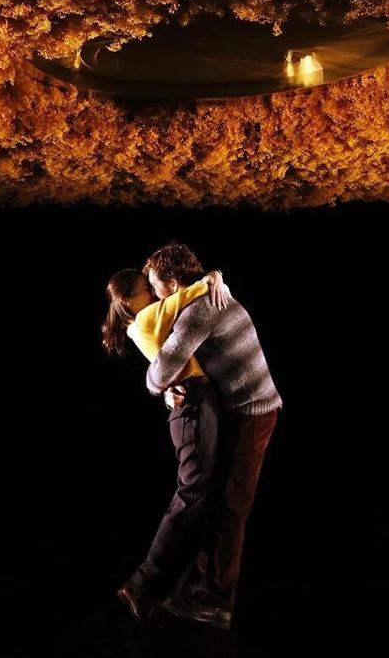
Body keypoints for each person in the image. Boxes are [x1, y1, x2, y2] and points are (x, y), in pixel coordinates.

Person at [142, 241, 282, 630]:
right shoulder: (210, 290)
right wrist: (215, 274)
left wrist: (156, 387)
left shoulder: (197, 310)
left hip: (254, 411)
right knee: (220, 498)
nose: (154, 296)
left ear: (172, 283)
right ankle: (204, 586)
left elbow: (162, 368)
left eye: (155, 287)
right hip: (247, 409)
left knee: (232, 504)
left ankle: (217, 599)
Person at [101, 266, 230, 622]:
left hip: (191, 400)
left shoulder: (142, 322)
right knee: (191, 493)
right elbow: (183, 296)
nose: (153, 293)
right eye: (146, 288)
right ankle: (142, 584)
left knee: (199, 494)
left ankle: (175, 584)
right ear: (129, 299)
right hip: (191, 404)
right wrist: (211, 278)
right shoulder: (143, 318)